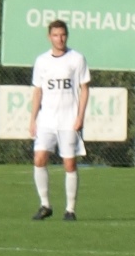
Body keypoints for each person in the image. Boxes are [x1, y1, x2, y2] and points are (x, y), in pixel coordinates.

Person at [28, 19, 90, 221]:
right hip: (47, 120)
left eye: (62, 35)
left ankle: (70, 209)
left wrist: (80, 116)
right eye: (55, 35)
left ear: (67, 36)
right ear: (49, 37)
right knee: (39, 159)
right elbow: (38, 91)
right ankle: (45, 205)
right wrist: (33, 119)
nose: (59, 39)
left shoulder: (76, 59)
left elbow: (84, 89)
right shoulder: (42, 61)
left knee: (69, 164)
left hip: (68, 120)